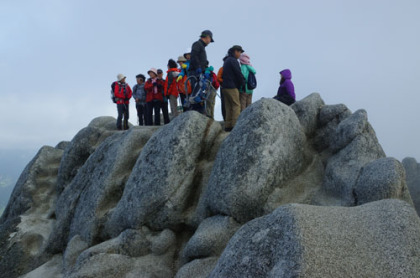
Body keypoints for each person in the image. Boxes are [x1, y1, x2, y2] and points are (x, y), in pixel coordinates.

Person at [222, 45, 245, 132]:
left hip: (225, 87)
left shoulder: (227, 60)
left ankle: (228, 126)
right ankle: (235, 125)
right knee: (236, 105)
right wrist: (243, 82)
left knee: (228, 106)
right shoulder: (233, 61)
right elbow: (238, 73)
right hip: (232, 87)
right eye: (239, 52)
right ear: (235, 51)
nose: (240, 54)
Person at [188, 30, 214, 96]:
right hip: (195, 73)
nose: (210, 42)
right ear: (207, 37)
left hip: (200, 73)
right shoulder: (197, 44)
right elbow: (194, 56)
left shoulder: (201, 46)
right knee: (196, 95)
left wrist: (206, 69)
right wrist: (198, 68)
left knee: (200, 95)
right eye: (210, 39)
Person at [216, 55, 228, 121]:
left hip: (223, 87)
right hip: (226, 87)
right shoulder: (222, 69)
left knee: (224, 103)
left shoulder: (222, 69)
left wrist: (223, 82)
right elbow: (218, 78)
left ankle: (225, 118)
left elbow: (218, 78)